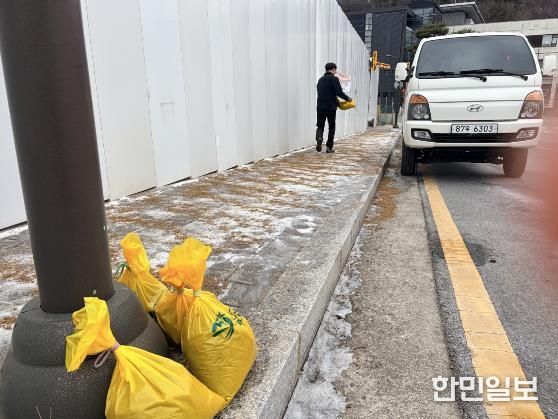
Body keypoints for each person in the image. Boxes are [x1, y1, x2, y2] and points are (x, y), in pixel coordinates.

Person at [315, 62, 352, 153]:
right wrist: (347, 98)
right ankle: (329, 147)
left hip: (320, 107)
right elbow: (339, 92)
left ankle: (319, 137)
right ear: (334, 69)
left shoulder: (320, 80)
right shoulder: (334, 79)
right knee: (331, 127)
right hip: (331, 107)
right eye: (335, 70)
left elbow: (319, 91)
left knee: (320, 125)